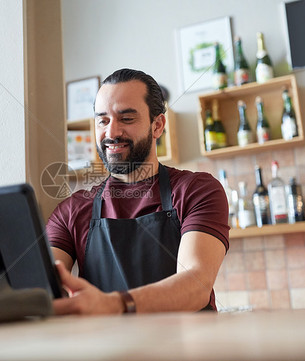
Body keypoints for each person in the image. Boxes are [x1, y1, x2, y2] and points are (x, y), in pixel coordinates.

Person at [47, 68, 229, 315]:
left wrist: (114, 305)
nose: (111, 133)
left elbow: (196, 285)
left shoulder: (196, 191)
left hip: (187, 349)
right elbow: (42, 284)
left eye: (127, 118)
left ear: (158, 125)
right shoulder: (71, 211)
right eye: (103, 120)